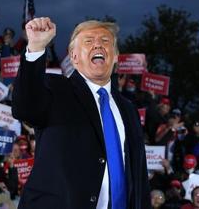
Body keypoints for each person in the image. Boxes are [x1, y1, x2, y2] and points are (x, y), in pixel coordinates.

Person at [12, 17, 150, 209]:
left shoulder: (129, 110)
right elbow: (24, 107)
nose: (98, 45)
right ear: (74, 57)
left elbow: (139, 176)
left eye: (105, 41)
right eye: (89, 41)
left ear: (116, 56)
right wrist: (36, 47)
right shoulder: (56, 89)